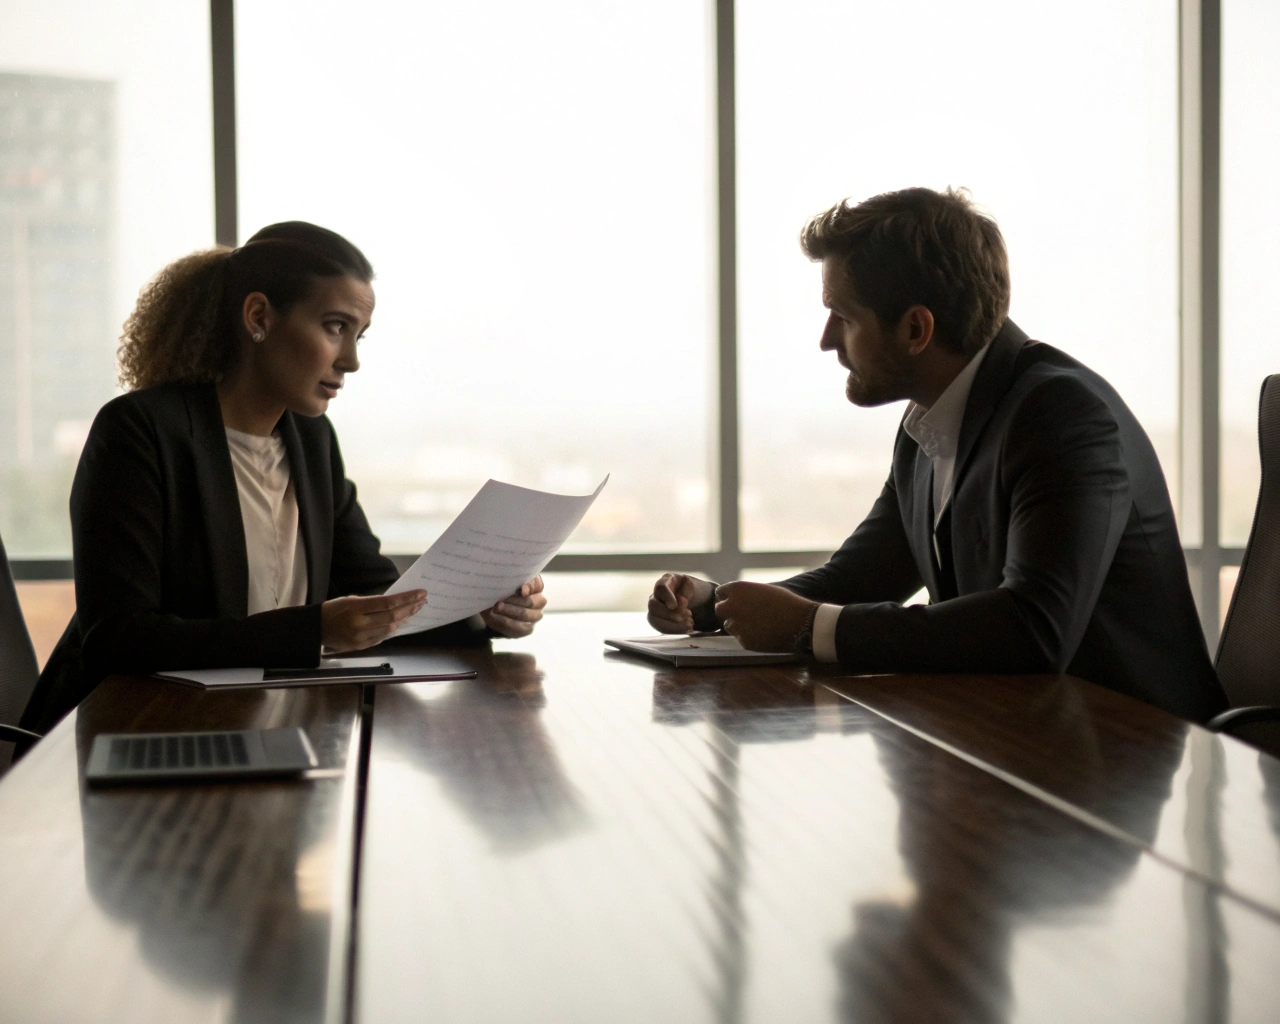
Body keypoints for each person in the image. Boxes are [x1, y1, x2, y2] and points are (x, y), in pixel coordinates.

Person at [648, 187, 1226, 723]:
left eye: (843, 317)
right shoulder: (926, 425)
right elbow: (858, 579)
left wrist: (806, 626)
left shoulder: (1061, 416)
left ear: (917, 329)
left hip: (1140, 763)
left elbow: (1033, 628)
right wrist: (712, 607)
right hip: (1020, 739)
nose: (827, 340)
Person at [22, 222, 546, 734]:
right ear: (259, 316)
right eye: (335, 327)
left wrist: (482, 609)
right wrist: (314, 629)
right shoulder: (140, 431)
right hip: (131, 735)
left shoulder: (312, 442)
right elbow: (119, 636)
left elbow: (373, 591)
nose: (353, 361)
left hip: (262, 727)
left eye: (358, 335)